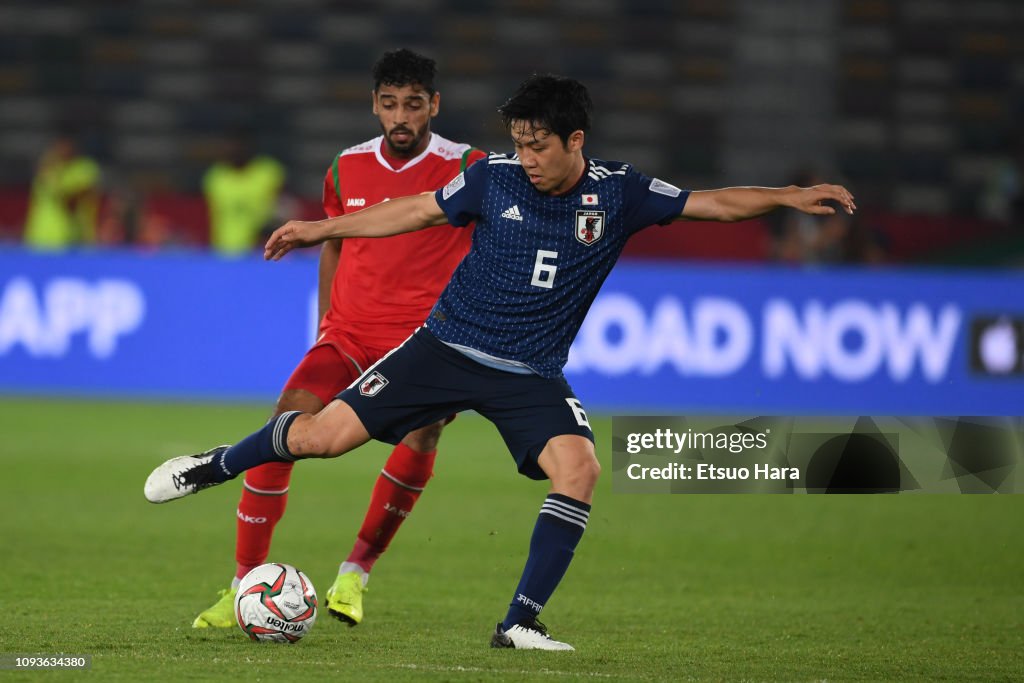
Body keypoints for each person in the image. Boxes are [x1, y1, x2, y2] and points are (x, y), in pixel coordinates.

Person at [146, 74, 855, 650]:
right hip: (443, 347)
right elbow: (415, 210)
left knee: (580, 469)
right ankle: (213, 465)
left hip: (530, 372)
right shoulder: (496, 179)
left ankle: (519, 621)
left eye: (539, 145)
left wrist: (788, 197)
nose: (526, 156)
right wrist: (319, 228)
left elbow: (714, 204)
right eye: (518, 142)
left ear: (576, 140)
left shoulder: (620, 191)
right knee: (319, 437)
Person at [189, 49, 486, 630]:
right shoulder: (345, 167)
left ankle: (356, 572)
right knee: (283, 424)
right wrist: (325, 321)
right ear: (375, 104)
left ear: (434, 106)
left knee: (423, 436)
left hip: (424, 344)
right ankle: (243, 584)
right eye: (390, 104)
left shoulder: (468, 166)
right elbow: (334, 240)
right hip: (349, 333)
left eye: (414, 105)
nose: (401, 117)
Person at [202, 130, 286, 256]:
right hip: (224, 251)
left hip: (262, 251)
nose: (234, 150)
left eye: (238, 145)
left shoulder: (269, 172)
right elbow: (211, 214)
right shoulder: (215, 177)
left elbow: (285, 208)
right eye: (230, 146)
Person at [23, 132, 102, 250]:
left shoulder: (84, 169)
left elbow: (72, 203)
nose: (62, 150)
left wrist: (55, 182)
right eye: (59, 146)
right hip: (40, 236)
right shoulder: (47, 168)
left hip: (72, 237)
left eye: (65, 146)